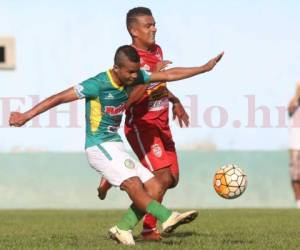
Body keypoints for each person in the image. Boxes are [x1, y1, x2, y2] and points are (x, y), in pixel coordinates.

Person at [9, 45, 223, 245]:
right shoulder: (98, 84)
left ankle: (122, 228)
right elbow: (58, 98)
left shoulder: (134, 75)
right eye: (130, 72)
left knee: (155, 186)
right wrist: (26, 115)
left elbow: (168, 75)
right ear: (116, 68)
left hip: (115, 145)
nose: (134, 77)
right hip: (98, 146)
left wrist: (204, 69)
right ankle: (167, 216)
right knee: (133, 184)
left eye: (136, 72)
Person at [97, 7, 193, 240]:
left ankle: (115, 173)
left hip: (162, 123)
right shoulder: (129, 60)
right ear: (134, 30)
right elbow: (129, 100)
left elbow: (159, 83)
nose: (154, 28)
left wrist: (174, 99)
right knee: (162, 179)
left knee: (172, 179)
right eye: (148, 25)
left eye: (154, 24)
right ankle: (145, 228)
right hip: (143, 125)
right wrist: (154, 75)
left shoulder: (157, 50)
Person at [288, 81, 300, 208]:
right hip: (296, 145)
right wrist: (297, 94)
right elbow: (290, 108)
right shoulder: (295, 106)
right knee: (295, 175)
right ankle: (299, 203)